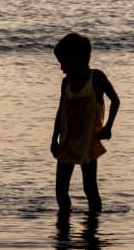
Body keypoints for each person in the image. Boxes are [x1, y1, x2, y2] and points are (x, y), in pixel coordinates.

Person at [50, 33, 120, 213]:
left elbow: (115, 100)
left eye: (63, 62)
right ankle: (64, 224)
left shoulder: (96, 78)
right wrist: (53, 139)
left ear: (78, 58)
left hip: (88, 142)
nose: (62, 68)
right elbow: (60, 112)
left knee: (90, 188)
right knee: (60, 191)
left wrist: (108, 127)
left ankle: (93, 225)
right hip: (67, 142)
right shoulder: (66, 83)